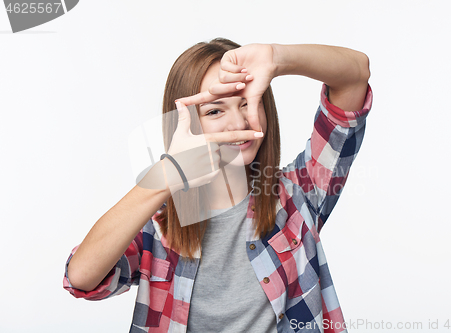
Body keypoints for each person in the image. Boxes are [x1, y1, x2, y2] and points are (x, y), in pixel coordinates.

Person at [63, 38, 372, 333]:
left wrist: (278, 58)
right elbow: (81, 277)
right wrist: (168, 174)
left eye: (248, 102)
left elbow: (356, 75)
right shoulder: (156, 226)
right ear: (185, 125)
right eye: (214, 110)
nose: (239, 123)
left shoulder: (299, 194)